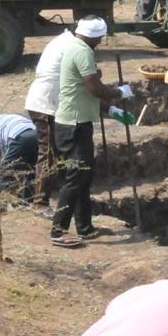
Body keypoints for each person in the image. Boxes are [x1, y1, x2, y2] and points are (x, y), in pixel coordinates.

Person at [50, 17, 132, 248]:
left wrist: (112, 110)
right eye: (101, 38)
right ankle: (58, 231)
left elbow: (85, 93)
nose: (101, 41)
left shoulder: (76, 47)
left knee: (83, 177)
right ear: (96, 36)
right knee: (75, 179)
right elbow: (95, 89)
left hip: (78, 122)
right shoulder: (83, 51)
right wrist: (119, 92)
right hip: (73, 125)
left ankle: (84, 227)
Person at [24, 27, 74, 215]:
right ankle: (40, 204)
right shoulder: (70, 44)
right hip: (44, 104)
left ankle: (66, 198)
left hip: (50, 102)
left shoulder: (63, 40)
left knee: (60, 152)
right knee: (48, 153)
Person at [0, 113, 39, 200]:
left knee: (2, 172)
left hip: (18, 135)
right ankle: (29, 201)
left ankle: (1, 204)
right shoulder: (0, 121)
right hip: (37, 135)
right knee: (31, 170)